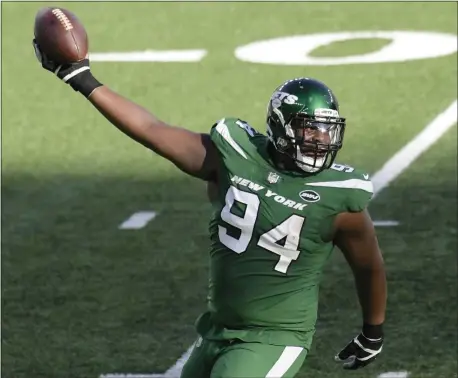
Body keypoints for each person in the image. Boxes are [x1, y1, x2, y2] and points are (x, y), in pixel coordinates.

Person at [33, 38, 387, 378]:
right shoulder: (235, 154)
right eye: (308, 130)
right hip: (218, 329)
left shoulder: (340, 196)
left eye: (326, 132)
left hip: (275, 337)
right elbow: (151, 129)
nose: (319, 141)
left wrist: (373, 332)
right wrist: (81, 78)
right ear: (280, 125)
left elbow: (369, 266)